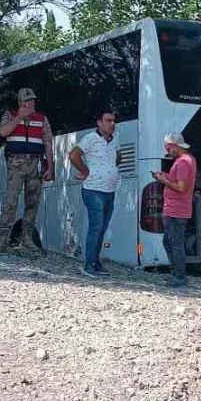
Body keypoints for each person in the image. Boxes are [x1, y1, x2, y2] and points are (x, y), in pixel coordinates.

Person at [0, 88, 54, 251]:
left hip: (35, 163)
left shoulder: (42, 119)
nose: (31, 103)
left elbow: (48, 142)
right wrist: (19, 117)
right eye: (27, 101)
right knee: (11, 201)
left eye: (32, 100)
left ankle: (27, 239)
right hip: (16, 163)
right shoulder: (9, 115)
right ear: (20, 103)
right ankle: (2, 240)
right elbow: (3, 132)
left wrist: (51, 166)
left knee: (32, 202)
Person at [69, 110, 119, 277]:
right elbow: (74, 155)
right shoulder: (91, 138)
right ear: (99, 122)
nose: (112, 123)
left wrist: (110, 170)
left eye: (113, 120)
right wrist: (84, 170)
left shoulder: (113, 140)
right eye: (108, 120)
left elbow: (118, 157)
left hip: (109, 192)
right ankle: (89, 265)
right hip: (93, 191)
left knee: (102, 229)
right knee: (96, 228)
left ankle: (96, 263)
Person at [151, 133, 196, 288]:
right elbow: (179, 181)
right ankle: (177, 275)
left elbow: (181, 187)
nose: (167, 150)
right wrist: (166, 176)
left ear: (176, 146)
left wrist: (164, 180)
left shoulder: (183, 162)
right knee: (170, 241)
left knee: (174, 243)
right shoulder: (187, 160)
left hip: (176, 209)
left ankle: (179, 277)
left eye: (168, 147)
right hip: (178, 208)